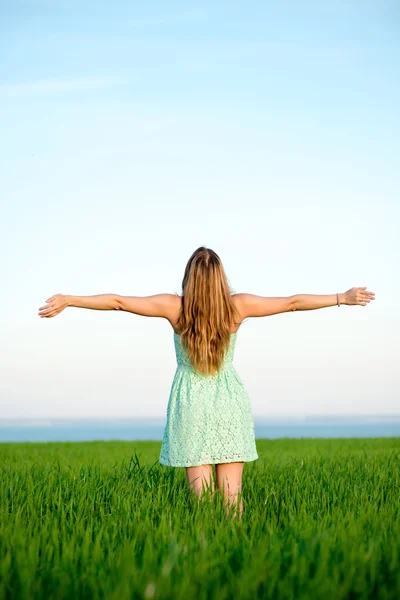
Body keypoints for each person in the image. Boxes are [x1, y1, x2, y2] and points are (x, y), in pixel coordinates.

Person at [38, 246, 375, 519]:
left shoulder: (175, 308)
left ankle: (206, 564)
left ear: (189, 279)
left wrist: (70, 299)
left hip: (191, 403)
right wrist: (340, 297)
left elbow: (118, 303)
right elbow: (291, 303)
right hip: (229, 402)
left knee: (202, 504)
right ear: (220, 279)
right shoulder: (237, 307)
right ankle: (236, 563)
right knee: (232, 500)